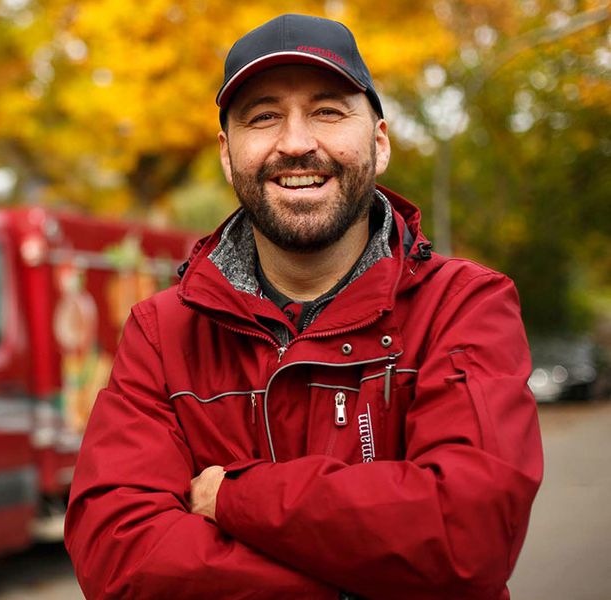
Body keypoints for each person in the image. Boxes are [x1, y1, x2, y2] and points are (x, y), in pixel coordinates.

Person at [64, 13, 542, 600]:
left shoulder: (464, 304)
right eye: (263, 117)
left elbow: (468, 536)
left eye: (328, 111)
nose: (295, 142)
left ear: (380, 142)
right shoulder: (161, 332)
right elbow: (120, 556)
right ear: (227, 153)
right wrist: (359, 580)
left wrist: (234, 498)